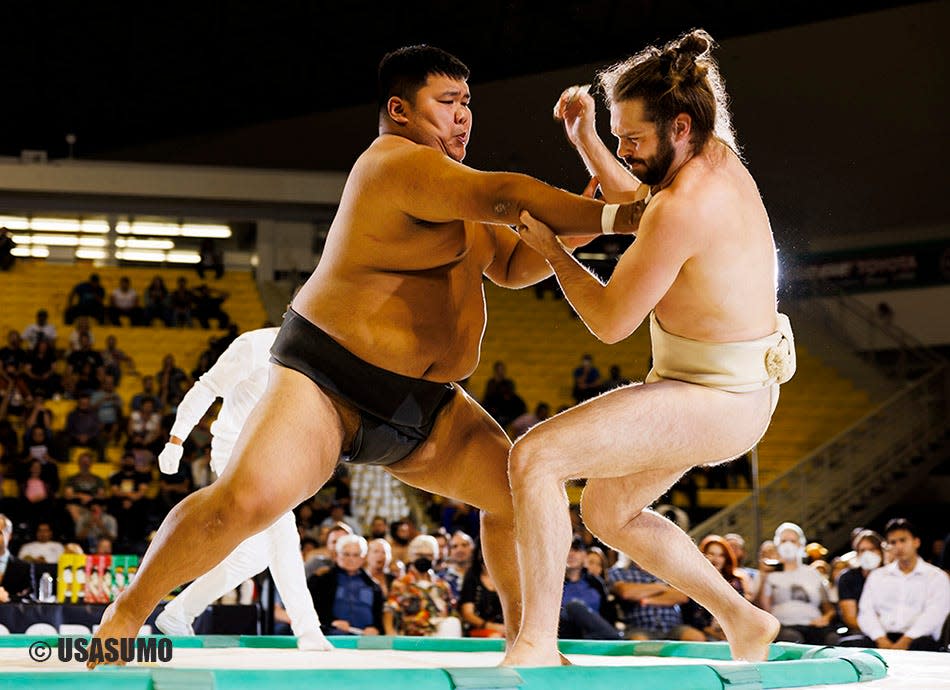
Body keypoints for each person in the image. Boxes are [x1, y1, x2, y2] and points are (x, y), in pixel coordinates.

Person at [90, 43, 643, 661]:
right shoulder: (391, 164)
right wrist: (627, 214)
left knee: (522, 493)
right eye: (448, 102)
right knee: (244, 504)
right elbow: (510, 195)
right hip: (329, 381)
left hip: (426, 406)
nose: (463, 116)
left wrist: (597, 195)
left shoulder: (459, 191)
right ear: (399, 110)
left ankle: (528, 642)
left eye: (468, 104)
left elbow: (515, 262)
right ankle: (126, 616)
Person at [504, 29, 795, 665]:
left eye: (632, 139)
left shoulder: (685, 204)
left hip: (714, 398)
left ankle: (536, 645)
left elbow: (610, 321)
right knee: (607, 508)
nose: (624, 151)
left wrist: (554, 251)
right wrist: (586, 143)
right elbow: (640, 197)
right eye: (617, 137)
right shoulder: (716, 155)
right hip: (728, 387)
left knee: (535, 459)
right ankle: (744, 621)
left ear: (680, 126)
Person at [154, 327, 330, 650]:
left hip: (274, 454)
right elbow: (206, 387)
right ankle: (309, 631)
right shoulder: (253, 345)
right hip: (233, 449)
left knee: (254, 555)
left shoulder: (315, 358)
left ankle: (178, 612)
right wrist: (176, 440)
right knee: (283, 531)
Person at [855, 518, 950, 651]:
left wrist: (906, 640)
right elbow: (866, 612)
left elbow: (935, 614)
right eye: (893, 542)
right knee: (850, 646)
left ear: (916, 542)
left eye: (903, 540)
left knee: (922, 646)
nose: (898, 546)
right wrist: (881, 639)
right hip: (881, 639)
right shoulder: (877, 576)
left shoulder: (936, 577)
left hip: (920, 641)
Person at [760, 523, 836, 645]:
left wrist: (825, 618)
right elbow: (764, 609)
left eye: (792, 541)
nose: (788, 545)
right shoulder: (771, 575)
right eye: (784, 541)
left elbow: (829, 609)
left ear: (801, 544)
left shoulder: (813, 573)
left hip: (813, 625)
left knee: (831, 639)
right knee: (793, 639)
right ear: (777, 545)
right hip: (785, 626)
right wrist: (763, 576)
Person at [308, 534, 383, 636]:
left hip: (366, 638)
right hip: (331, 633)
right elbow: (310, 609)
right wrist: (331, 622)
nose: (351, 559)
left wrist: (375, 628)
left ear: (363, 558)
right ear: (337, 555)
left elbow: (379, 618)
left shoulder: (374, 586)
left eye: (356, 555)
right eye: (346, 554)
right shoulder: (321, 580)